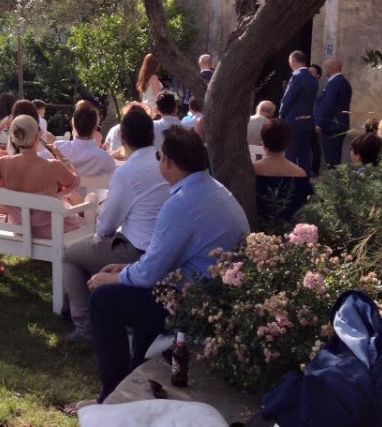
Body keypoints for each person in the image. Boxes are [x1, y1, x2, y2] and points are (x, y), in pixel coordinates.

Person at [67, 126, 248, 412]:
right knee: (138, 289)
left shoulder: (181, 202)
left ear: (168, 163)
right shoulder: (214, 189)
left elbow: (151, 273)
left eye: (159, 156)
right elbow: (162, 259)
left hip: (197, 305)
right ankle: (136, 376)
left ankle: (110, 397)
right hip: (212, 296)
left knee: (103, 300)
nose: (158, 161)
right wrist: (127, 268)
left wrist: (111, 278)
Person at [62, 107, 170, 342]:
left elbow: (106, 226)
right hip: (164, 251)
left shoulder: (128, 171)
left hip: (137, 251)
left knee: (70, 254)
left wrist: (100, 231)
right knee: (92, 251)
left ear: (122, 138)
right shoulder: (166, 166)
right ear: (152, 136)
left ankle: (84, 327)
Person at [0, 115, 83, 240]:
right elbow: (74, 185)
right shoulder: (54, 166)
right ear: (37, 137)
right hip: (53, 230)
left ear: (12, 137)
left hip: (20, 230)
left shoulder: (3, 163)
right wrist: (62, 158)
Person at [253, 119, 313, 223]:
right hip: (290, 230)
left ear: (263, 141)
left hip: (256, 230)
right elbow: (306, 205)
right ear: (288, 143)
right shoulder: (300, 173)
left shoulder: (252, 170)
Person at [278, 50, 319, 172]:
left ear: (293, 61)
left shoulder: (296, 77)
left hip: (293, 122)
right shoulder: (312, 79)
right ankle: (304, 182)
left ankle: (290, 184)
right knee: (304, 155)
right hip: (307, 121)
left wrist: (281, 116)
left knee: (290, 154)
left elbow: (287, 100)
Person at [56, 101, 116, 176]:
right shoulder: (104, 157)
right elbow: (114, 180)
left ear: (73, 123)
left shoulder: (57, 148)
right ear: (95, 127)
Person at [314, 58, 352, 169]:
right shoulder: (342, 82)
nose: (325, 70)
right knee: (334, 156)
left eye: (326, 67)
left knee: (332, 158)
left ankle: (333, 183)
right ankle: (335, 181)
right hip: (338, 125)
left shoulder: (335, 83)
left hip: (332, 126)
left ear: (332, 68)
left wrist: (319, 123)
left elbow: (327, 104)